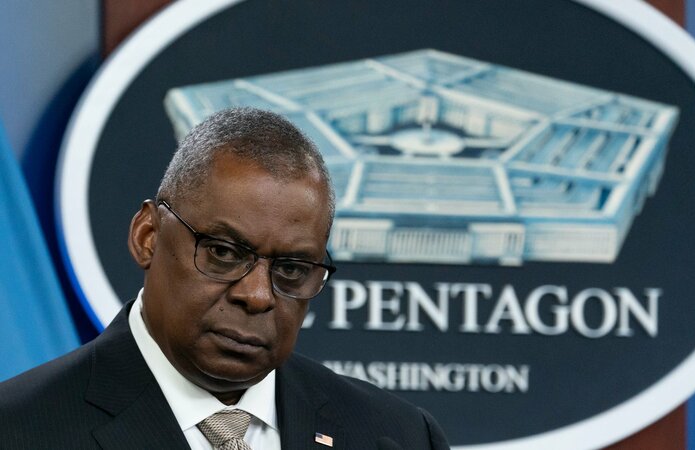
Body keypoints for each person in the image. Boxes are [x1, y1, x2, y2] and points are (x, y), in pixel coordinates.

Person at [0, 107, 450, 449]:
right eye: (223, 252)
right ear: (147, 236)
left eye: (291, 269)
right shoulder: (19, 428)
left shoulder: (399, 437)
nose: (257, 296)